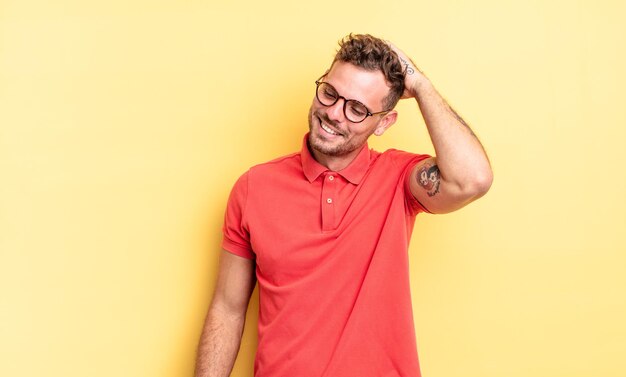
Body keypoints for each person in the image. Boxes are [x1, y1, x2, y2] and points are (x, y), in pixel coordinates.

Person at [194, 34, 493, 377]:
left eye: (357, 109)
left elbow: (473, 180)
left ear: (384, 122)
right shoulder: (253, 187)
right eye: (330, 93)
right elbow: (228, 309)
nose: (333, 114)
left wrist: (420, 84)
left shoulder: (400, 180)